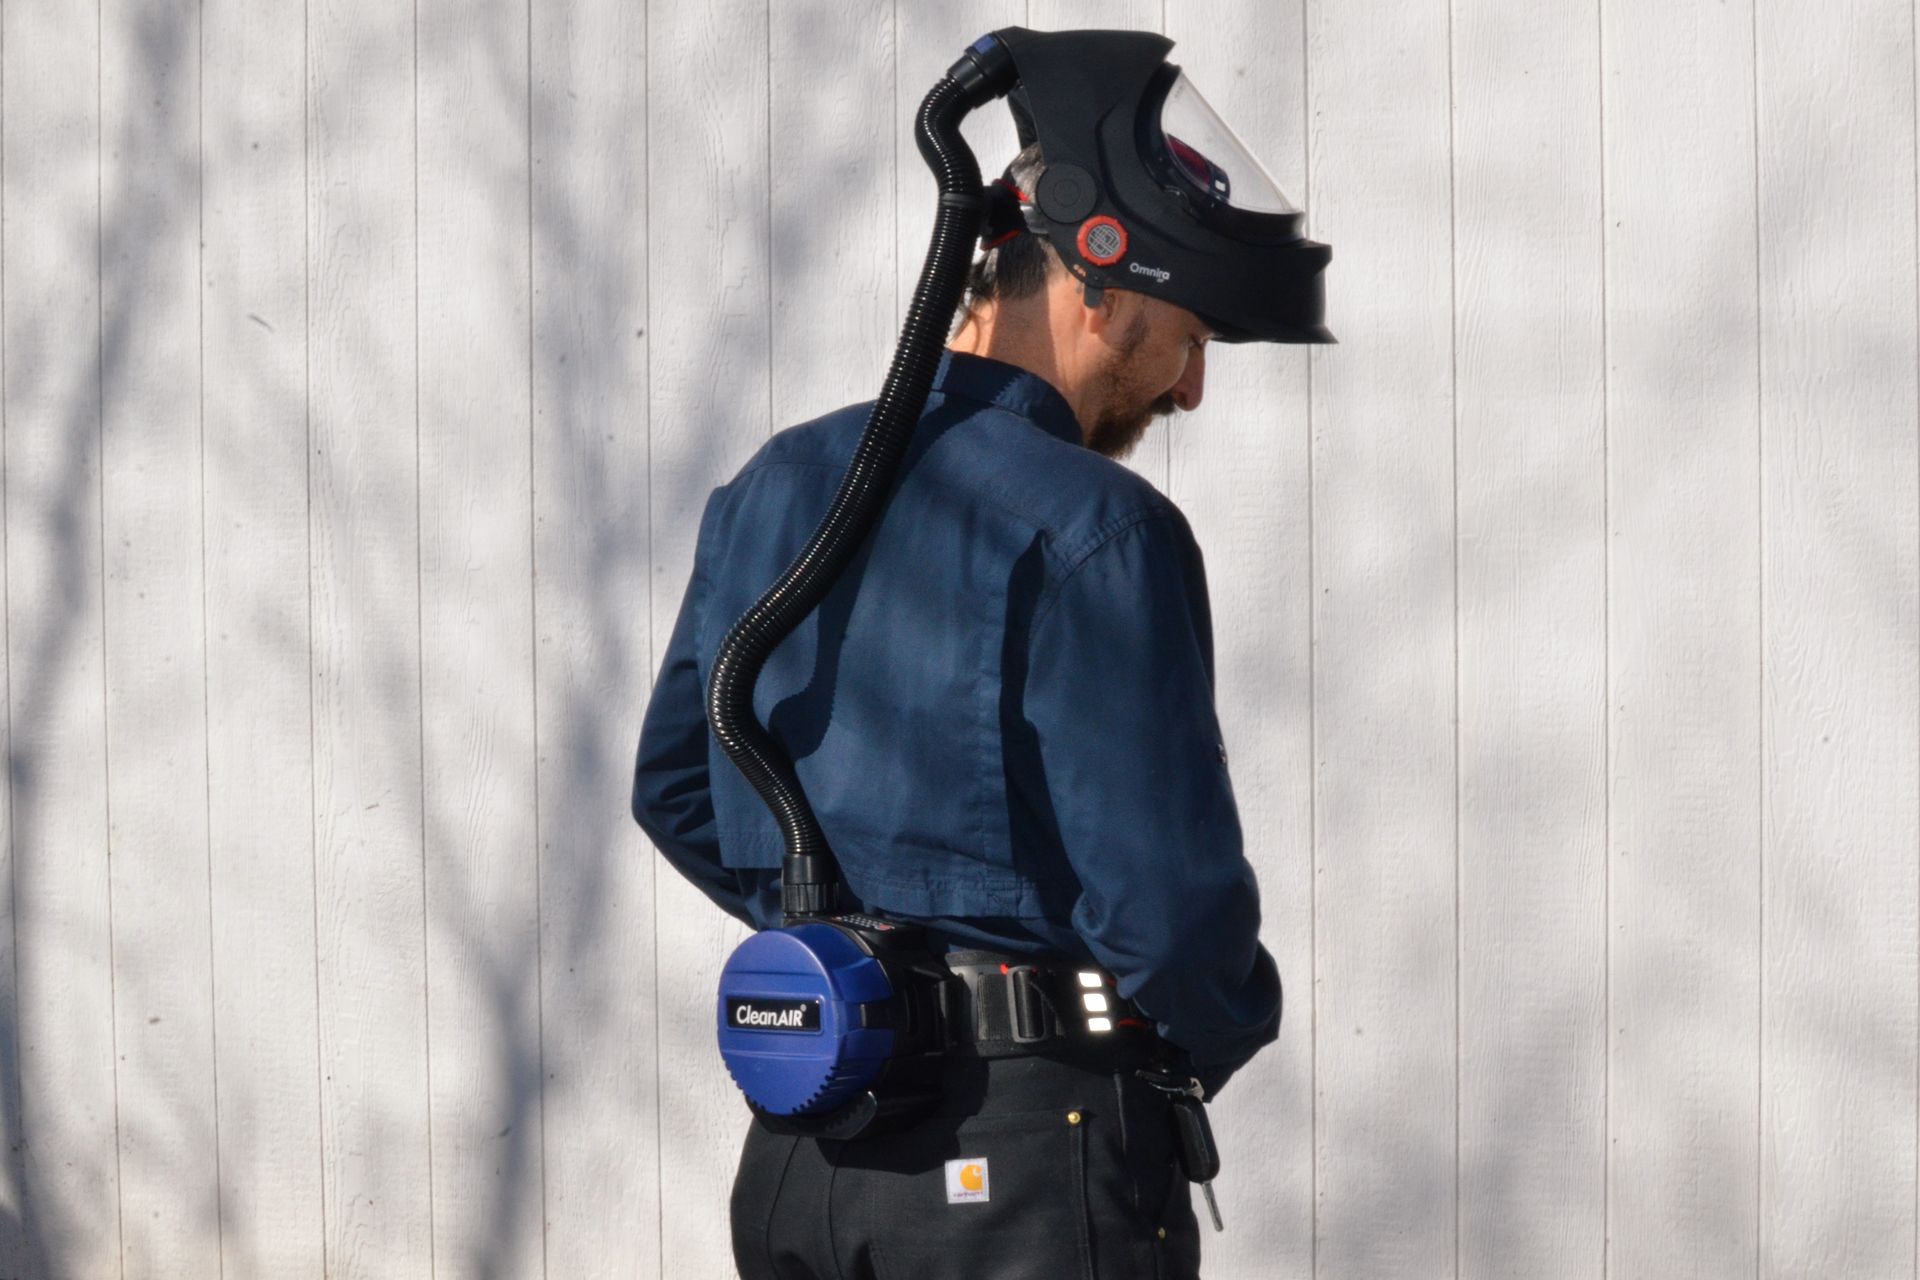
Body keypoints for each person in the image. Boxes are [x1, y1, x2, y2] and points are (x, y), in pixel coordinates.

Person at [633, 143, 1281, 1280]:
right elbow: (1172, 915)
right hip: (1026, 1159)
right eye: (1191, 341)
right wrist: (1219, 1027)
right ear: (1102, 286)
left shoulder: (773, 487)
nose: (1189, 390)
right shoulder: (1099, 529)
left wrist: (849, 952)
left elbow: (678, 789)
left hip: (803, 1155)